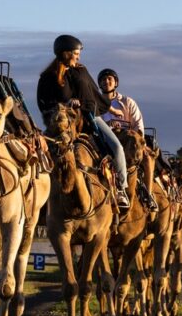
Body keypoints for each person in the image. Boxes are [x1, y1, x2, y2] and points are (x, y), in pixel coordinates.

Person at [37, 34, 130, 209]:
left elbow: (93, 94)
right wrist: (64, 106)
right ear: (65, 53)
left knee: (117, 147)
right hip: (62, 124)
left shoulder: (81, 71)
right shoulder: (48, 78)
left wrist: (110, 109)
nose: (78, 56)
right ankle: (39, 193)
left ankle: (120, 189)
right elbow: (44, 103)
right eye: (76, 53)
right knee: (40, 151)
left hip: (88, 118)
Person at [96, 67, 157, 211]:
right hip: (104, 142)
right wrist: (109, 126)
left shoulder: (127, 102)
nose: (106, 82)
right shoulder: (96, 103)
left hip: (130, 143)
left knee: (147, 157)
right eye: (103, 80)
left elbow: (138, 125)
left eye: (109, 79)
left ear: (115, 82)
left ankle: (148, 194)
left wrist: (133, 137)